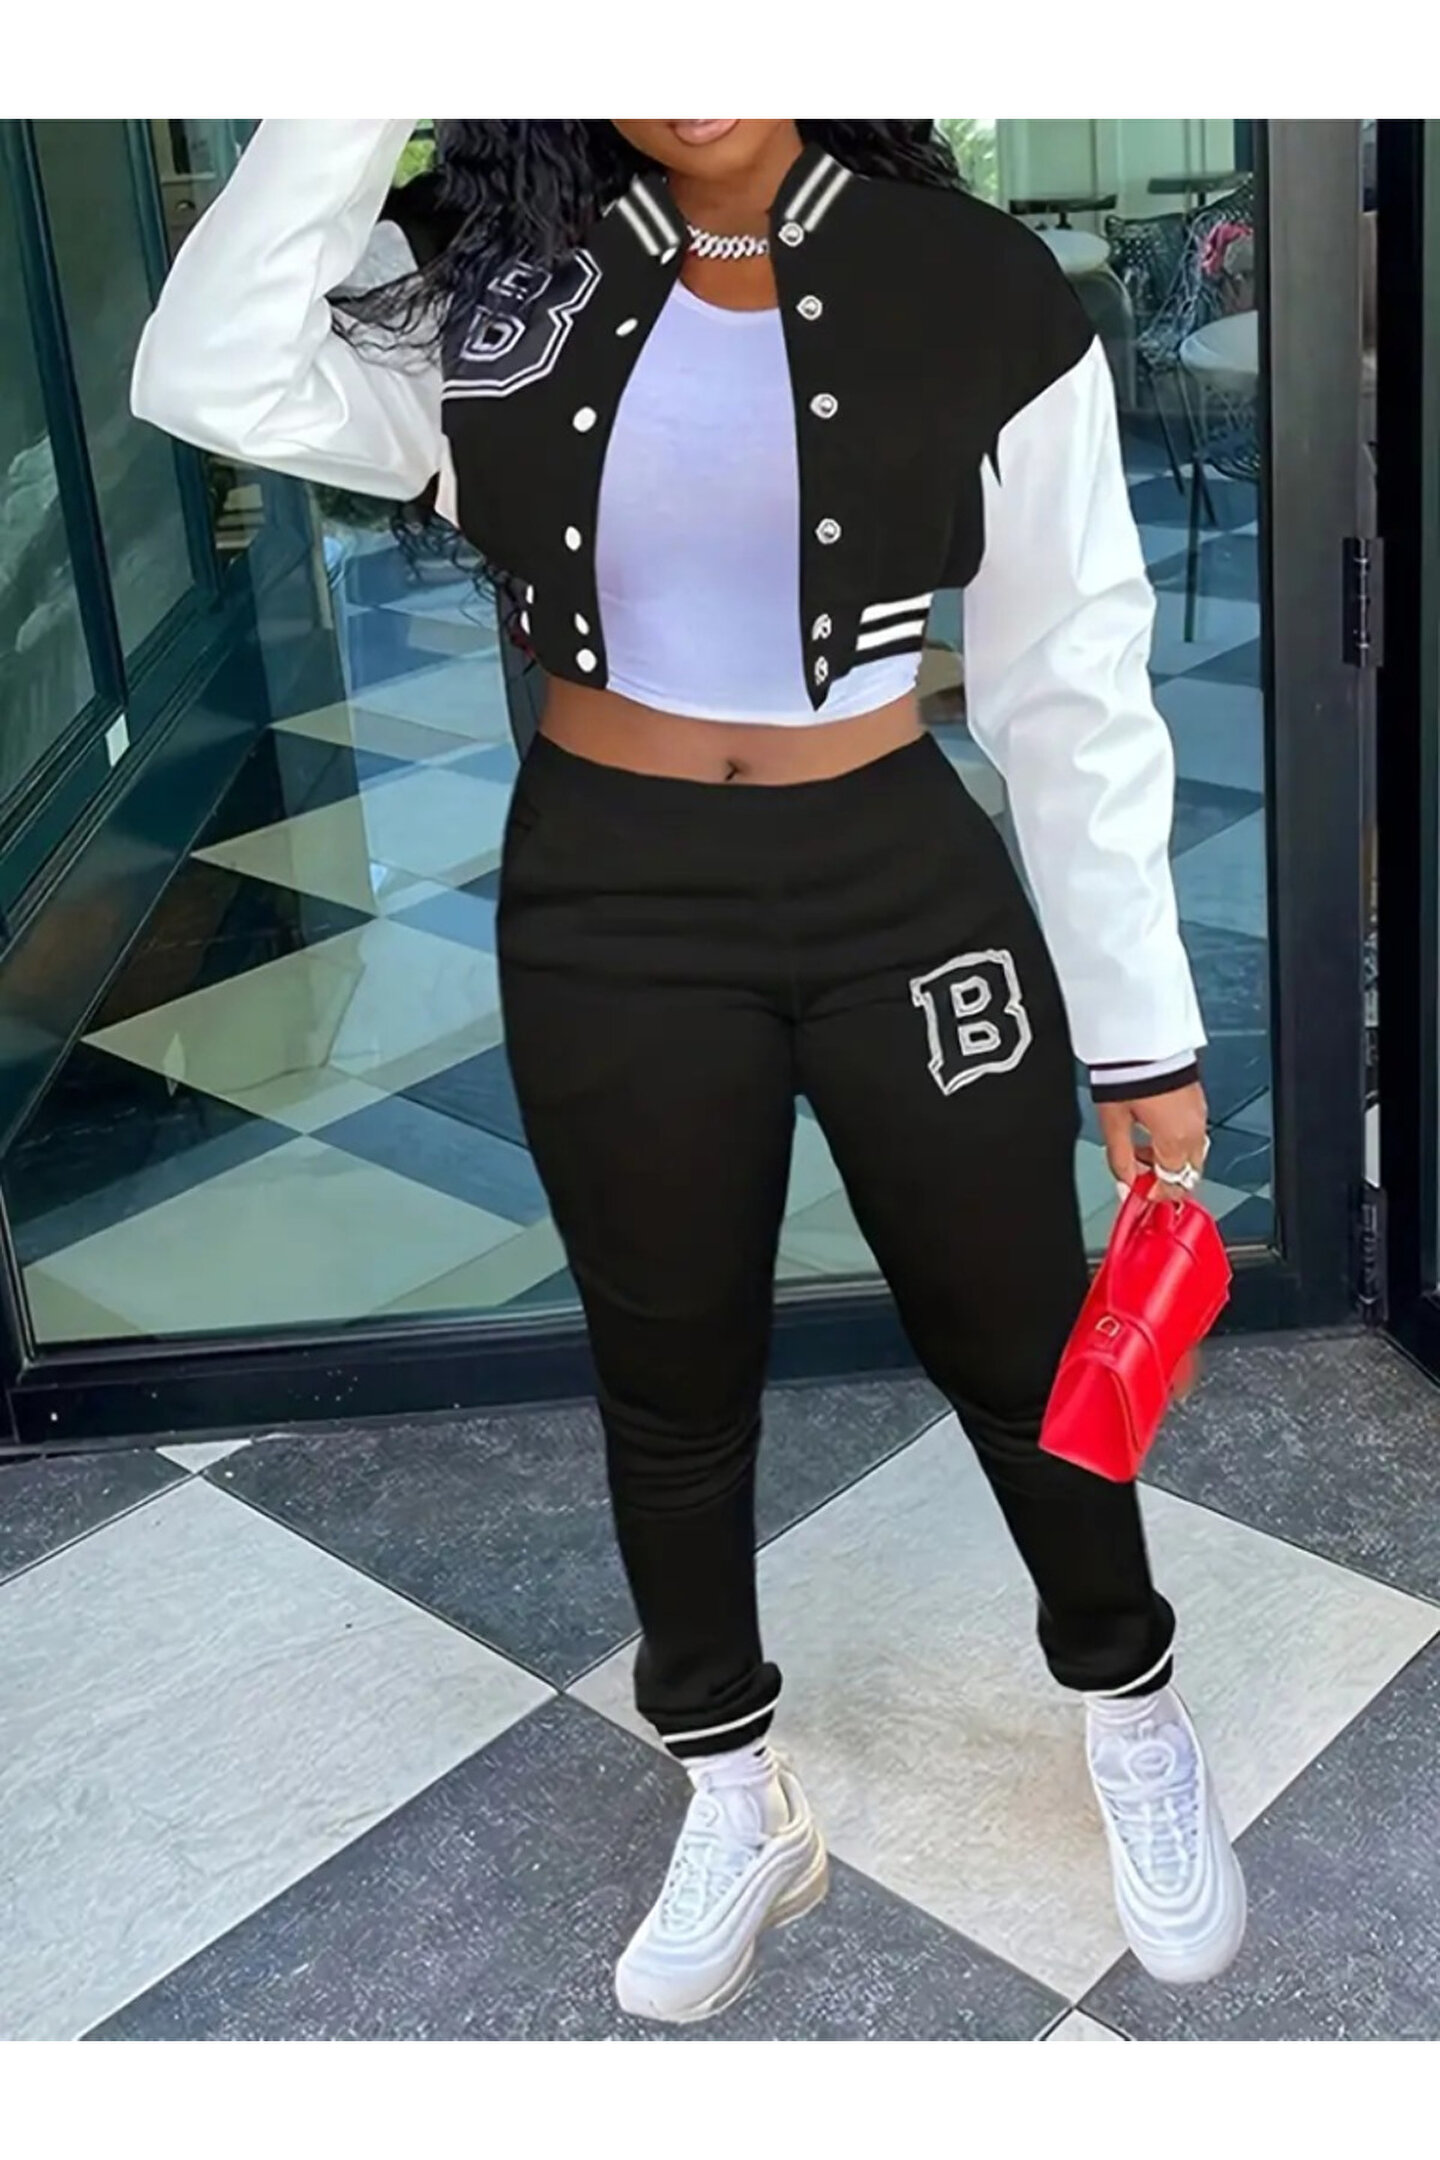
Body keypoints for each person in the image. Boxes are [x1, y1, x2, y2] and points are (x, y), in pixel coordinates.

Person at [132, 118, 1247, 2023]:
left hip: (898, 882)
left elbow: (1071, 669)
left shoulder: (974, 283)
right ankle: (733, 1782)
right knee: (669, 1370)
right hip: (611, 898)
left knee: (1018, 1333)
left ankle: (1131, 1706)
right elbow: (208, 369)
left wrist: (1138, 1029)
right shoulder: (489, 271)